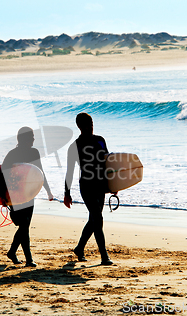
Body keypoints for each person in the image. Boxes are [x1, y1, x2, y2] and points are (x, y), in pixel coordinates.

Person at [64, 113, 114, 266]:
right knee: (97, 218)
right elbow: (70, 171)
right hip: (86, 185)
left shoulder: (100, 140)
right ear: (79, 126)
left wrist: (114, 184)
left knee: (94, 219)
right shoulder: (75, 146)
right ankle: (104, 256)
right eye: (87, 124)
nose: (90, 126)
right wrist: (67, 193)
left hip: (101, 183)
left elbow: (108, 163)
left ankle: (79, 248)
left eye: (91, 122)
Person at [2, 126, 54, 267]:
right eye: (31, 137)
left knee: (25, 225)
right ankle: (27, 258)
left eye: (33, 136)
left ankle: (14, 252)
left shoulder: (34, 152)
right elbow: (3, 175)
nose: (33, 139)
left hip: (30, 193)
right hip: (16, 194)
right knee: (23, 225)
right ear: (23, 138)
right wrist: (4, 197)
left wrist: (48, 191)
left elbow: (40, 173)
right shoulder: (12, 154)